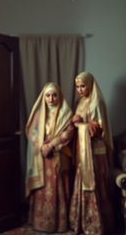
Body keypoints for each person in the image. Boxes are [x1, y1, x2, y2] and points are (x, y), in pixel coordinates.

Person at [69, 71, 114, 235]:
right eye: (77, 86)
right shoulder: (80, 102)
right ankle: (83, 222)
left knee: (97, 182)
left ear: (90, 85)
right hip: (83, 149)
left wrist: (81, 123)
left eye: (83, 86)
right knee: (82, 180)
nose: (80, 89)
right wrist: (78, 122)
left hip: (96, 151)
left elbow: (99, 130)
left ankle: (98, 225)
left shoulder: (97, 102)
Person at [25, 82, 74, 233]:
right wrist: (41, 146)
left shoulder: (65, 113)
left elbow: (69, 132)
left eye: (54, 95)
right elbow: (32, 132)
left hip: (59, 156)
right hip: (43, 158)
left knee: (58, 187)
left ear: (59, 96)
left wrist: (51, 144)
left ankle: (59, 224)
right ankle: (41, 223)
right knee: (43, 188)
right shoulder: (40, 114)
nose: (51, 98)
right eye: (48, 95)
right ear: (44, 97)